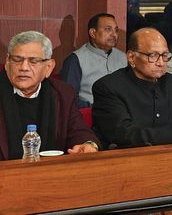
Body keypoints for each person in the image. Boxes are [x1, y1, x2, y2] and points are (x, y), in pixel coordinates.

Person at [92, 28, 172, 149]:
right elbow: (124, 133)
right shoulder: (108, 87)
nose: (161, 62)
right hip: (129, 160)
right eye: (152, 55)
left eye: (165, 55)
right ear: (131, 57)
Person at [0, 31, 99, 160]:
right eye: (17, 60)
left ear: (49, 67)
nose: (24, 67)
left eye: (33, 61)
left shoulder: (62, 92)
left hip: (51, 173)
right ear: (7, 63)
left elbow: (78, 130)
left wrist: (88, 144)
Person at [60, 13, 127, 108]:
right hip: (91, 115)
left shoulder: (123, 57)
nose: (114, 34)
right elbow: (68, 98)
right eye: (108, 29)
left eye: (116, 30)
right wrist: (95, 107)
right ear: (93, 33)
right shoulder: (76, 59)